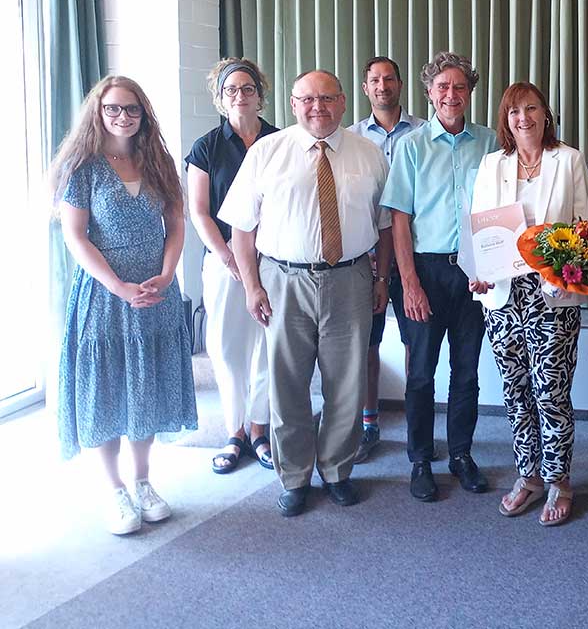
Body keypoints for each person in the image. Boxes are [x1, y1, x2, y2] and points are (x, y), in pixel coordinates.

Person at [219, 69, 392, 517]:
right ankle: (294, 475)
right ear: (293, 104)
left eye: (328, 98)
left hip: (350, 278)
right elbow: (242, 225)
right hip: (282, 280)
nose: (319, 107)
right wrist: (252, 284)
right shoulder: (266, 153)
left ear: (343, 103)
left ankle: (337, 469)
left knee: (347, 382)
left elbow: (387, 227)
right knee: (287, 381)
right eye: (308, 99)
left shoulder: (369, 154)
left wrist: (381, 280)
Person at [50, 75, 198, 535]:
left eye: (131, 109)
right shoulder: (84, 167)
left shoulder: (157, 161)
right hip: (105, 296)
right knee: (108, 387)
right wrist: (118, 286)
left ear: (143, 113)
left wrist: (169, 273)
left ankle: (143, 482)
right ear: (98, 112)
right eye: (113, 108)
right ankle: (115, 490)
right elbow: (75, 237)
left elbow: (177, 223)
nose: (122, 116)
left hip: (156, 292)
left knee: (148, 383)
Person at [469, 82, 588, 526]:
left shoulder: (569, 160)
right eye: (514, 110)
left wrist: (570, 275)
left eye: (532, 108)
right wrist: (478, 272)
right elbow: (480, 229)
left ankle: (559, 479)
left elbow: (585, 229)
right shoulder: (491, 164)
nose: (523, 117)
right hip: (503, 297)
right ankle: (529, 475)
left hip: (551, 295)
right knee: (515, 391)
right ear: (505, 118)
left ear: (546, 114)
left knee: (551, 392)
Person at [382, 51, 498, 502]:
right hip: (425, 273)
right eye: (442, 87)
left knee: (467, 371)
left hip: (474, 271)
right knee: (421, 373)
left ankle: (462, 455)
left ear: (469, 93)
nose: (452, 95)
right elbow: (399, 220)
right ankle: (419, 459)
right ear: (429, 93)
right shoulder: (411, 146)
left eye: (460, 87)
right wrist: (409, 283)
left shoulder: (489, 143)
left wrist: (489, 268)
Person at [186, 58, 279, 475]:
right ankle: (234, 430)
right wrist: (227, 256)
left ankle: (259, 429)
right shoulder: (206, 147)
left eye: (247, 88)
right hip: (223, 262)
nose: (239, 96)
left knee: (267, 346)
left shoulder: (281, 140)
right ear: (220, 100)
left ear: (260, 94)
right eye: (231, 90)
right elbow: (199, 212)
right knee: (226, 348)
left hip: (274, 261)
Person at [347, 55, 426, 463]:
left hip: (415, 256)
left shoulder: (425, 134)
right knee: (367, 343)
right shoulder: (350, 139)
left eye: (390, 78)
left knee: (416, 340)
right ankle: (369, 423)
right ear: (365, 88)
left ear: (400, 84)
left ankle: (417, 422)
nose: (382, 86)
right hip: (369, 259)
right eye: (374, 80)